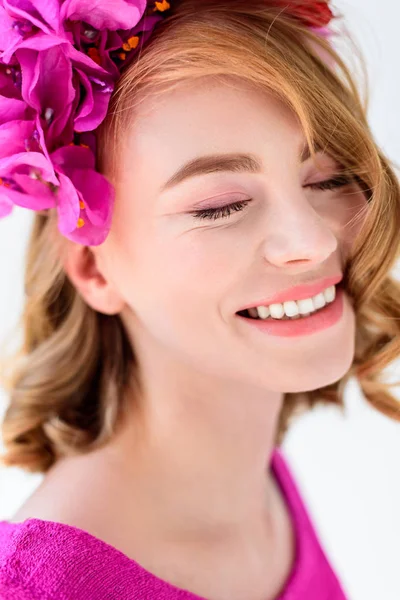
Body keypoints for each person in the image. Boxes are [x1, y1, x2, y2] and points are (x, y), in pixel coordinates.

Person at [0, 1, 399, 599]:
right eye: (220, 206)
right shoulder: (43, 588)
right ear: (92, 268)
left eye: (329, 178)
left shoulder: (260, 489)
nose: (313, 241)